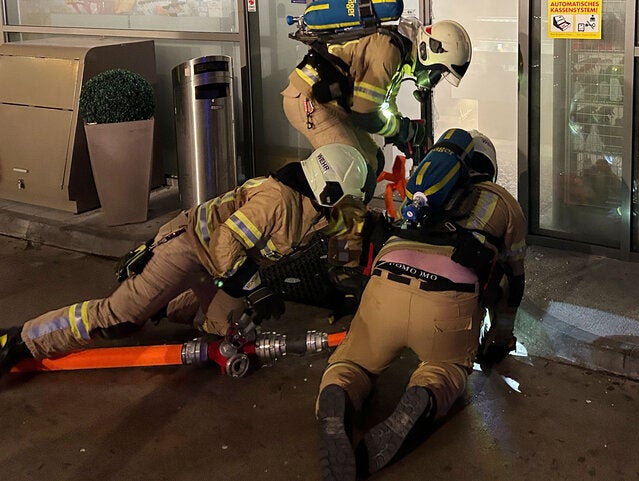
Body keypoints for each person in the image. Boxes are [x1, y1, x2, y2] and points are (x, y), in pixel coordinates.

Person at [0, 143, 369, 373]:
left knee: (227, 328)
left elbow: (344, 234)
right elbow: (225, 242)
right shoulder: (277, 200)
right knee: (120, 318)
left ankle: (166, 303)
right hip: (190, 249)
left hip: (219, 268)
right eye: (345, 196)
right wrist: (256, 289)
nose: (347, 204)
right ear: (329, 189)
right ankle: (23, 339)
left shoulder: (320, 209)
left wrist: (347, 286)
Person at [314, 131, 527, 481]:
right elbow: (514, 284)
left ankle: (339, 392)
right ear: (489, 168)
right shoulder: (502, 203)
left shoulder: (422, 194)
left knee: (353, 362)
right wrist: (500, 339)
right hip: (446, 302)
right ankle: (425, 391)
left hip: (385, 288)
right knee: (445, 368)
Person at [281, 16, 472, 197]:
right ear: (429, 50)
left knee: (374, 160)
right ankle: (331, 224)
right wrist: (402, 129)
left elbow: (384, 103)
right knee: (357, 178)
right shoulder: (388, 52)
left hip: (332, 106)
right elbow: (365, 115)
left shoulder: (401, 53)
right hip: (309, 102)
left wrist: (402, 133)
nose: (433, 80)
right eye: (437, 73)